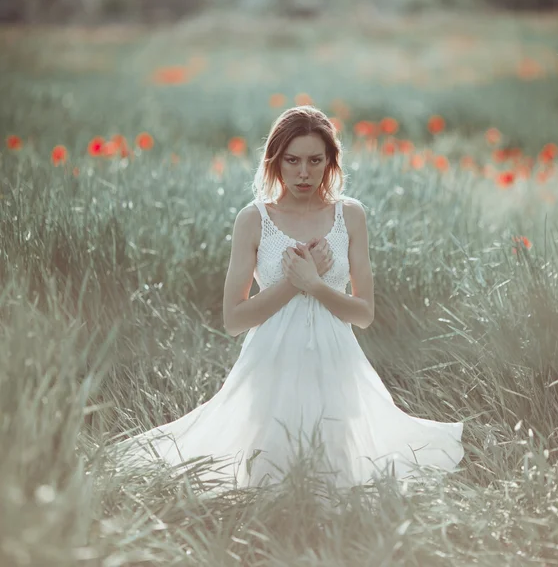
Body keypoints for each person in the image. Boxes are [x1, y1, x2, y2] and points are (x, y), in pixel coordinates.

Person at [107, 106, 464, 497]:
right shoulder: (255, 219)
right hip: (270, 363)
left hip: (336, 363)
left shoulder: (350, 216)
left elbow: (363, 314)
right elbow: (233, 319)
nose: (304, 173)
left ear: (330, 161)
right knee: (268, 481)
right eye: (292, 161)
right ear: (275, 161)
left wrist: (315, 283)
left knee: (338, 482)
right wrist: (295, 283)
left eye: (315, 160)